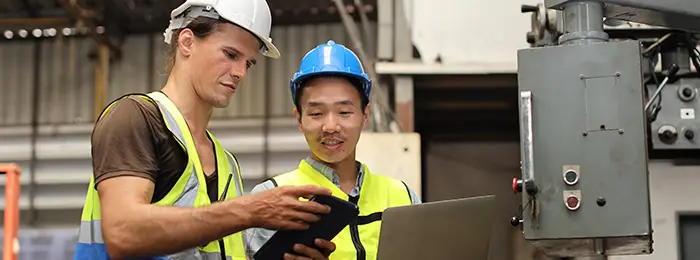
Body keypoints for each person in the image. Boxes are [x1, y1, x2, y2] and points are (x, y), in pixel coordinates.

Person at [73, 1, 337, 259]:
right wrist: (249, 211)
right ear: (186, 42)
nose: (240, 72)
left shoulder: (226, 164)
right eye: (231, 55)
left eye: (249, 63)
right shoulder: (135, 118)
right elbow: (123, 233)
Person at [244, 40, 422, 260]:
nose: (330, 127)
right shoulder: (272, 197)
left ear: (365, 115)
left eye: (344, 112)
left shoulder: (403, 197)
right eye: (316, 114)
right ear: (299, 118)